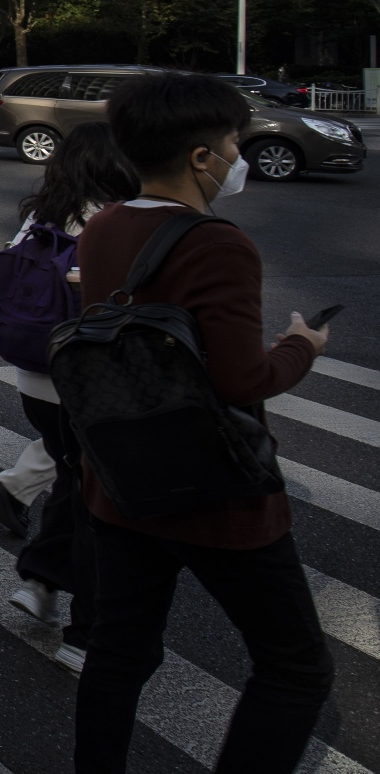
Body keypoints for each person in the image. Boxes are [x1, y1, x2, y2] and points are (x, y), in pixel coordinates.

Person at [72, 72, 333, 774]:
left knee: (120, 652)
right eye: (231, 144)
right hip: (215, 492)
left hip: (122, 477)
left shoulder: (103, 227)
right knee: (295, 667)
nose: (236, 158)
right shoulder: (217, 243)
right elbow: (240, 380)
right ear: (200, 157)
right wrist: (300, 347)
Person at [0, 121, 139, 671]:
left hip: (35, 381)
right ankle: (85, 633)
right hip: (90, 386)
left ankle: (41, 581)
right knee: (104, 508)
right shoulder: (117, 221)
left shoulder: (40, 215)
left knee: (77, 484)